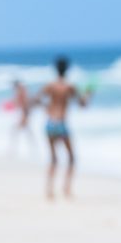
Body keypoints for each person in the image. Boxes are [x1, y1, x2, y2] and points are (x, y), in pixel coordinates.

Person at [34, 56, 90, 200]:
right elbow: (82, 104)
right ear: (67, 69)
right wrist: (89, 94)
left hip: (49, 124)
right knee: (71, 158)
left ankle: (49, 190)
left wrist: (46, 108)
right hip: (61, 125)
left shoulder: (50, 85)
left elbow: (35, 99)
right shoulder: (69, 87)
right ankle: (66, 189)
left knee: (53, 158)